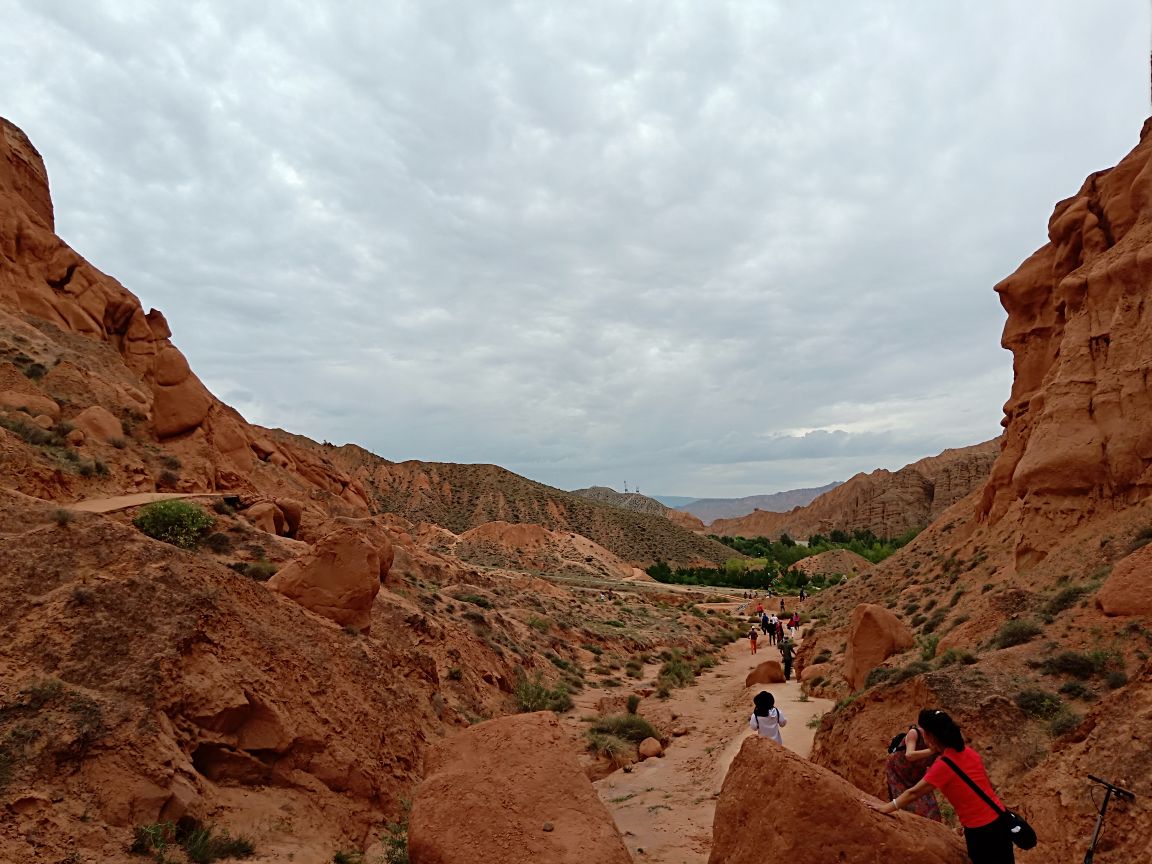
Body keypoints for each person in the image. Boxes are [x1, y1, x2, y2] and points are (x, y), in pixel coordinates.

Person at [875, 709, 1014, 863]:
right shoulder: (969, 753)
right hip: (1000, 819)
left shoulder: (945, 765)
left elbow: (914, 793)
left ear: (931, 736)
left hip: (980, 829)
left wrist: (885, 808)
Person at [884, 723, 942, 821]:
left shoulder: (940, 744)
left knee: (932, 811)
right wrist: (932, 751)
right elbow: (909, 755)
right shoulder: (915, 733)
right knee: (907, 805)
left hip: (917, 776)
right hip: (898, 773)